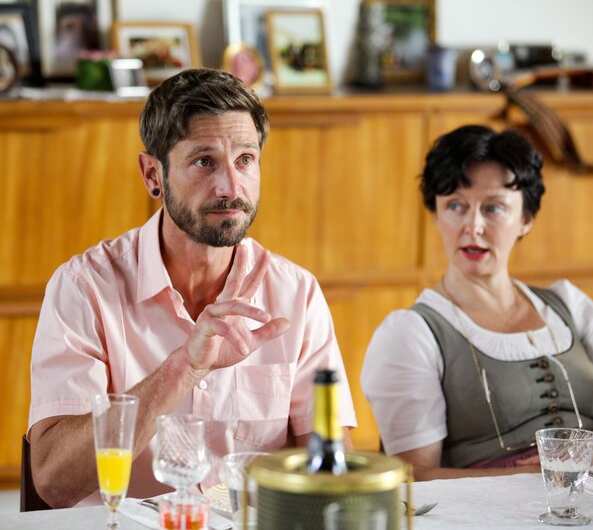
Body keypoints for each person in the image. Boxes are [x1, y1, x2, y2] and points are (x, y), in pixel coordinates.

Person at [27, 68, 357, 508]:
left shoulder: (297, 294)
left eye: (245, 160)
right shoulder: (84, 288)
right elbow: (54, 481)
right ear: (153, 175)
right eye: (204, 161)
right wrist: (184, 367)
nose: (231, 187)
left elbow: (331, 471)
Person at [360, 125, 593, 480]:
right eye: (456, 206)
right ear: (436, 215)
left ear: (526, 219)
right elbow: (414, 477)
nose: (473, 226)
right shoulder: (411, 334)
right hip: (487, 507)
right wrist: (539, 475)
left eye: (493, 208)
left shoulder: (570, 304)